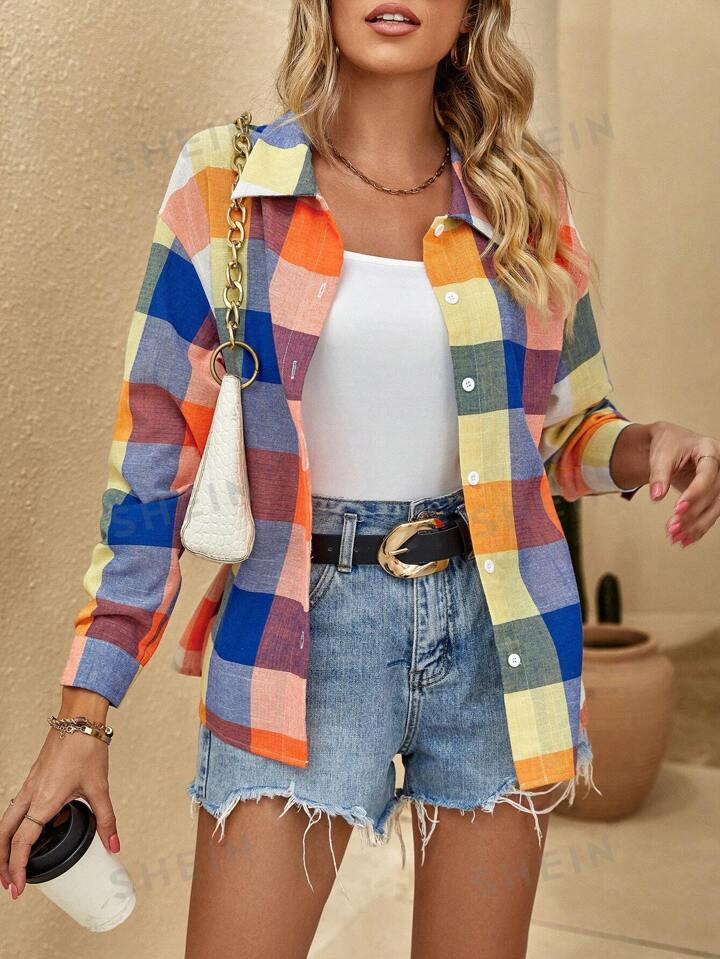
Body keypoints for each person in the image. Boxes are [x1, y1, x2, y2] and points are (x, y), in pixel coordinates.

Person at [3, 2, 719, 957]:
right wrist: (81, 714)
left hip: (497, 632)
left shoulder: (524, 195)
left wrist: (649, 446)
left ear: (471, 13)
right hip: (300, 628)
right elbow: (153, 471)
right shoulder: (228, 181)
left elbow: (560, 431)